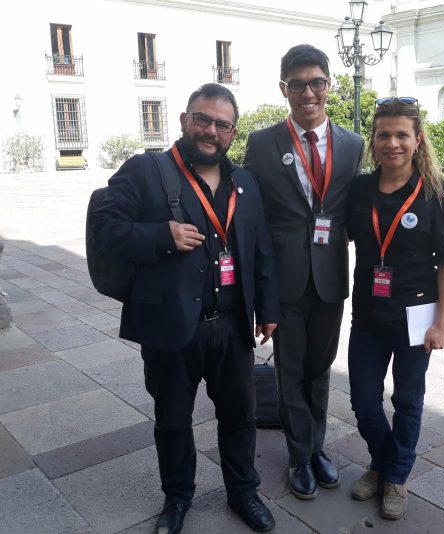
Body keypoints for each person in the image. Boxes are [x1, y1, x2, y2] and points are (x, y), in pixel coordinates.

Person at [91, 84, 279, 534]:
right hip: (170, 325)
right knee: (173, 419)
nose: (210, 130)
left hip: (232, 325)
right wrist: (162, 235)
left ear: (232, 133)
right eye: (202, 119)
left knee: (240, 415)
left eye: (222, 124)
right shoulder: (146, 170)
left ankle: (243, 491)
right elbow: (104, 226)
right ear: (183, 120)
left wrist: (267, 306)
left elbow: (260, 249)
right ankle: (177, 498)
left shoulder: (245, 182)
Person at [243, 44, 364, 500]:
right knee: (290, 371)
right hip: (285, 279)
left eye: (316, 83)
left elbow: (356, 207)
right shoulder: (262, 143)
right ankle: (299, 456)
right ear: (284, 89)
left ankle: (316, 447)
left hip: (330, 277)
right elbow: (249, 214)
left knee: (320, 368)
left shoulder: (353, 145)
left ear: (328, 85)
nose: (308, 93)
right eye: (298, 85)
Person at [346, 97, 444, 520]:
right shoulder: (359, 190)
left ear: (417, 140)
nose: (392, 143)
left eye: (401, 135)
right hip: (368, 314)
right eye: (383, 135)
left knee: (408, 400)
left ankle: (394, 476)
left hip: (416, 316)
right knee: (363, 400)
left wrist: (442, 323)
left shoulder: (436, 193)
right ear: (373, 141)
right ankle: (383, 461)